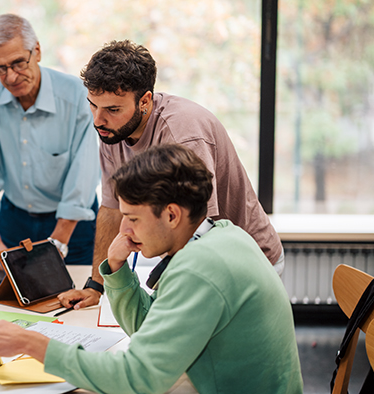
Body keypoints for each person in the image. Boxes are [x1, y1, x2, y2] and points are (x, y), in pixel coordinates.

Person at [0, 144, 303, 394]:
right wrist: (117, 270)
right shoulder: (222, 234)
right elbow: (150, 329)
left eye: (133, 218)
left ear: (171, 215)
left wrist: (33, 343)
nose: (125, 229)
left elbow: (139, 378)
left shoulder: (200, 269)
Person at [58, 40, 284, 310]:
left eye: (112, 109)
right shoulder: (112, 131)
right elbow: (110, 209)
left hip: (246, 263)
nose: (97, 119)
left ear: (145, 101)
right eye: (93, 106)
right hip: (197, 259)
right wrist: (96, 285)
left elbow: (201, 230)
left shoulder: (183, 135)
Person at [0, 14, 100, 268]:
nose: (11, 77)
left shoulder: (76, 96)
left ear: (37, 51)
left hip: (73, 223)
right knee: (12, 303)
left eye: (18, 63)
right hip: (14, 220)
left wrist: (58, 241)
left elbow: (83, 176)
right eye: (0, 68)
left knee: (75, 299)